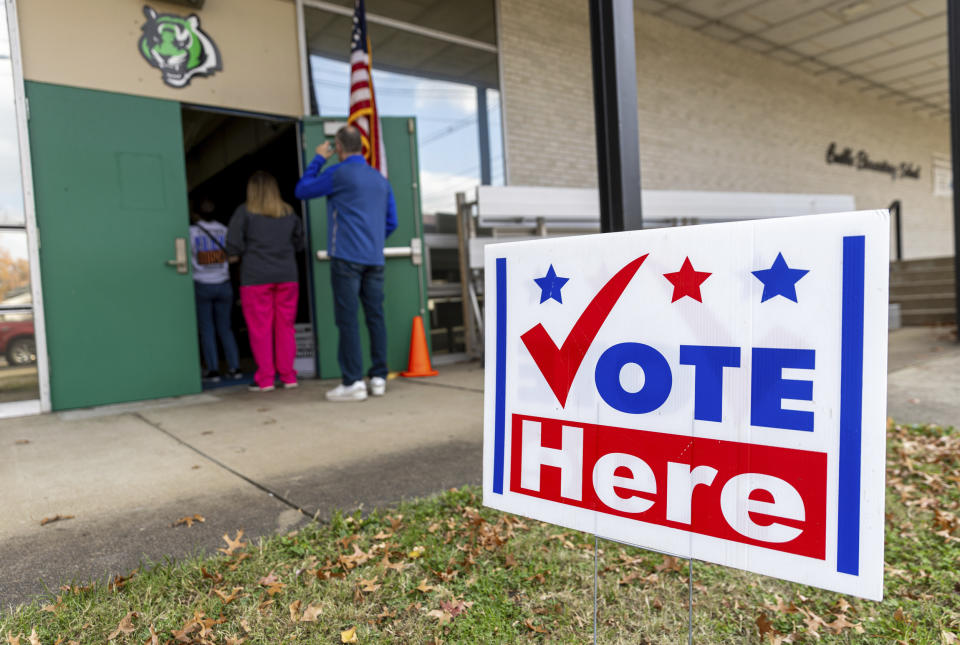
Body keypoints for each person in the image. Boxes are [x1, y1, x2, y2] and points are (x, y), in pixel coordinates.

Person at [295, 125, 397, 402]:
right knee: (375, 317)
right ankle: (378, 377)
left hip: (347, 258)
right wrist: (373, 241)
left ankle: (353, 383)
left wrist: (318, 159)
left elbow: (302, 190)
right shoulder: (379, 179)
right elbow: (392, 222)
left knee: (348, 320)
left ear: (338, 147)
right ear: (361, 146)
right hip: (374, 259)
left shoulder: (338, 173)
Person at [227, 171, 304, 392]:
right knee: (286, 328)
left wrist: (236, 254)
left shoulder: (244, 212)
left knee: (260, 329)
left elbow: (234, 244)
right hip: (287, 276)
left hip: (256, 278)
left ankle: (266, 379)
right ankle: (289, 376)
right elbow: (300, 244)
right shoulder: (289, 212)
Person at [189, 199, 242, 383]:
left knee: (207, 329)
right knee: (225, 328)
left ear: (196, 213)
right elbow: (234, 257)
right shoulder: (224, 230)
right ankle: (235, 367)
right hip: (224, 284)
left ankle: (213, 371)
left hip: (202, 283)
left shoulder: (192, 232)